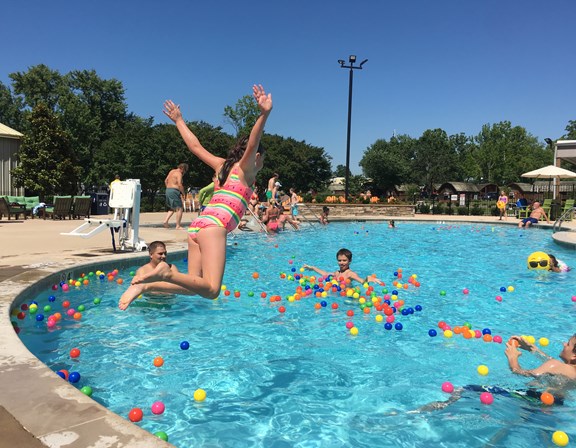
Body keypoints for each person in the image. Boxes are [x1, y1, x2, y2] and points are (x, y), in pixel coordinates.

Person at [119, 84, 272, 310]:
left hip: (199, 225)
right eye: (262, 159)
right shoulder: (244, 169)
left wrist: (179, 120)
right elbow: (253, 142)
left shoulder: (222, 166)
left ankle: (148, 286)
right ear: (256, 157)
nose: (261, 163)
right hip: (214, 226)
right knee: (212, 291)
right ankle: (165, 272)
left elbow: (194, 146)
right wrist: (264, 114)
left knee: (195, 287)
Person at [505, 334, 576, 381]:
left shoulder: (555, 365)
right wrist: (531, 348)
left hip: (533, 398)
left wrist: (512, 358)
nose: (564, 344)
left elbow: (520, 373)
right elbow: (553, 364)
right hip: (557, 402)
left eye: (568, 344)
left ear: (574, 356)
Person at [303, 248, 383, 285]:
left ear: (350, 261)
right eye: (339, 260)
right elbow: (325, 274)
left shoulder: (350, 274)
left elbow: (362, 281)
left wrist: (368, 278)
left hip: (347, 296)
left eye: (344, 260)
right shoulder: (337, 273)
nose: (341, 263)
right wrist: (313, 268)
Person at [163, 163, 189, 229]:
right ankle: (178, 225)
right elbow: (180, 184)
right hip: (174, 190)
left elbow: (166, 181)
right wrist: (183, 193)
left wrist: (168, 188)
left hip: (168, 190)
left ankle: (165, 221)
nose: (184, 173)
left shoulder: (172, 171)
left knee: (172, 208)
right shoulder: (179, 174)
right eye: (185, 171)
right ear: (183, 169)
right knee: (179, 208)